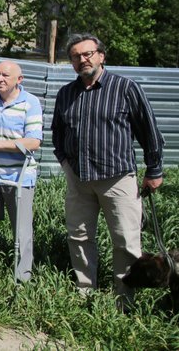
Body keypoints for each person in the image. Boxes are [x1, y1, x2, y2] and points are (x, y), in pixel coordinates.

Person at [52, 33, 164, 303]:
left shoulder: (125, 88)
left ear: (101, 56)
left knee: (125, 241)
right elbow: (57, 134)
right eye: (76, 56)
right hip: (79, 181)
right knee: (79, 237)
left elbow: (149, 131)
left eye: (88, 54)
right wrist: (66, 165)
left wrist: (154, 170)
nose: (83, 60)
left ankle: (123, 301)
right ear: (71, 63)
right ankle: (85, 292)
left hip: (118, 179)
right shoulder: (66, 93)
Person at [0, 61, 43, 282]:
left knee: (21, 231)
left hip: (18, 177)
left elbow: (33, 142)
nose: (0, 79)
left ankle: (22, 279)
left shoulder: (30, 103)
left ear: (19, 80)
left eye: (5, 75)